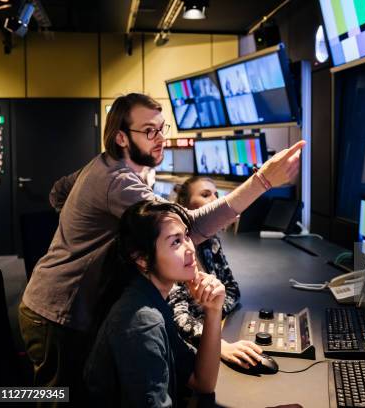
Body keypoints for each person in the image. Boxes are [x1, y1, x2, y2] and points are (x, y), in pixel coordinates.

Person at [18, 92, 304, 401]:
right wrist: (262, 181)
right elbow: (190, 227)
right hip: (59, 312)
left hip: (61, 303)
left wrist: (81, 232)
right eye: (149, 131)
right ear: (122, 138)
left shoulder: (101, 165)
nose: (160, 139)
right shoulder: (117, 182)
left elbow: (58, 193)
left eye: (162, 128)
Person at [84, 200, 225, 407]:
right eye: (175, 242)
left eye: (186, 236)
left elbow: (202, 382)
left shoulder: (151, 298)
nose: (190, 248)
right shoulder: (143, 322)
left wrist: (213, 310)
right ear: (142, 258)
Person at [170, 176, 262, 369]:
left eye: (216, 194)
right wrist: (217, 342)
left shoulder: (211, 241)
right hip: (181, 350)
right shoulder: (173, 251)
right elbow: (178, 318)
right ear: (184, 206)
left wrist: (214, 312)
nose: (215, 200)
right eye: (205, 195)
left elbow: (232, 289)